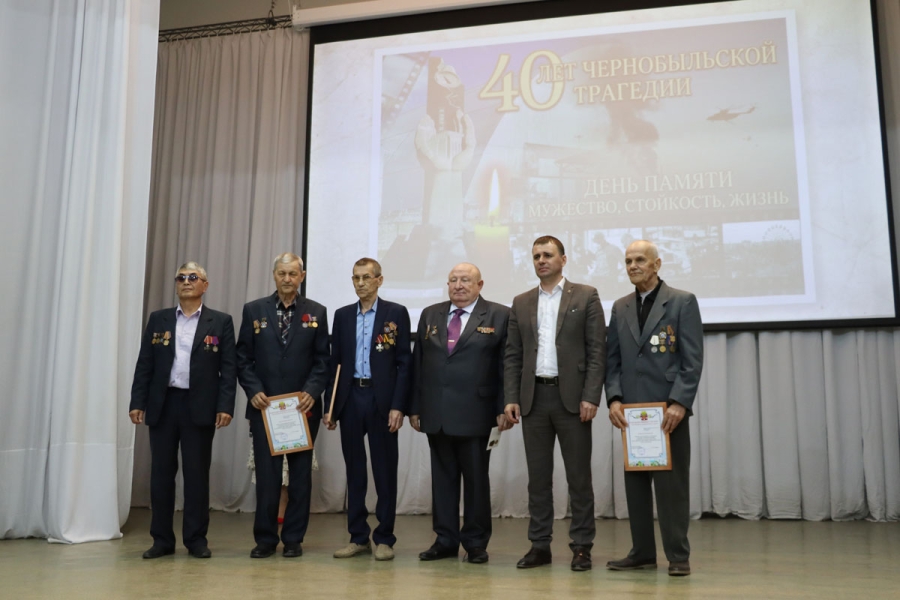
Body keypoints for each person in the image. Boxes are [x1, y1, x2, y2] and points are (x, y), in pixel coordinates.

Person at [504, 235, 606, 571]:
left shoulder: (586, 295)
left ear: (563, 259)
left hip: (573, 400)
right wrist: (511, 398)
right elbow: (513, 355)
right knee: (538, 479)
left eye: (548, 255)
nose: (541, 261)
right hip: (534, 400)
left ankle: (582, 547)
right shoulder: (521, 302)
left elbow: (597, 351)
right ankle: (539, 546)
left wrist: (591, 396)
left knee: (578, 478)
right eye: (536, 256)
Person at [605, 239, 703, 577]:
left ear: (657, 264)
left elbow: (692, 361)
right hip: (632, 414)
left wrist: (680, 403)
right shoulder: (620, 307)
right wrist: (614, 399)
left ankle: (678, 555)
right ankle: (643, 553)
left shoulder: (681, 301)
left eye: (640, 260)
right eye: (628, 261)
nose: (633, 266)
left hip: (667, 413)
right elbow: (612, 361)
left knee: (671, 488)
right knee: (635, 489)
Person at [129, 261, 236, 559]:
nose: (186, 281)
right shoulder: (159, 319)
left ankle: (196, 539)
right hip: (163, 404)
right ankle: (162, 539)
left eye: (193, 277)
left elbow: (229, 370)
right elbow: (145, 363)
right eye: (181, 277)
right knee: (161, 475)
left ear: (205, 285)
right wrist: (137, 401)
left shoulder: (220, 321)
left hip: (199, 406)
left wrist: (225, 406)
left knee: (196, 475)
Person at [409, 263, 510, 564]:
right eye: (453, 280)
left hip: (478, 413)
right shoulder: (431, 314)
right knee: (443, 481)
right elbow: (418, 364)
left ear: (480, 284)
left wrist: (503, 406)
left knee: (476, 481)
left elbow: (506, 366)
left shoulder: (499, 315)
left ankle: (476, 543)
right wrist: (415, 407)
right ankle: (445, 540)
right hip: (436, 412)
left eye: (465, 280)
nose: (458, 285)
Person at [237, 253, 329, 559]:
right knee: (268, 478)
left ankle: (293, 539)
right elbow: (242, 358)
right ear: (274, 275)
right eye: (282, 273)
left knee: (300, 479)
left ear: (302, 276)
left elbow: (323, 360)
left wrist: (312, 391)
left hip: (303, 409)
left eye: (293, 273)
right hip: (266, 409)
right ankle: (265, 540)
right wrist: (253, 390)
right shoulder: (254, 310)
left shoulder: (317, 311)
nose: (287, 279)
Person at [325, 258, 411, 561]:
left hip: (381, 400)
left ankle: (384, 538)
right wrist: (331, 407)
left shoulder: (395, 313)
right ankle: (358, 537)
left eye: (366, 277)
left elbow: (404, 363)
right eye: (356, 278)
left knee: (384, 470)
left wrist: (398, 405)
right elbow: (334, 364)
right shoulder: (343, 315)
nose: (361, 283)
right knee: (355, 471)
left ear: (379, 280)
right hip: (350, 399)